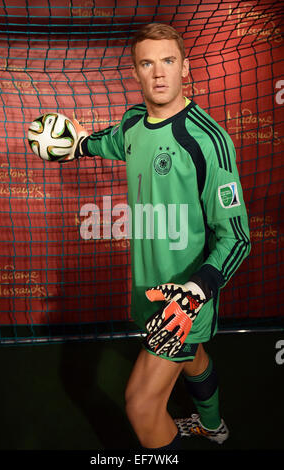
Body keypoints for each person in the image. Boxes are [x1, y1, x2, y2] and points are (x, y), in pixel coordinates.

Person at [61, 23, 251, 450]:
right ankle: (214, 427)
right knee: (194, 359)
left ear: (185, 67)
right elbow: (109, 142)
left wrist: (195, 293)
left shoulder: (208, 140)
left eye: (168, 61)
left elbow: (237, 238)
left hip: (183, 302)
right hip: (146, 287)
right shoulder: (132, 124)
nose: (159, 73)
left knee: (141, 405)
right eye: (148, 63)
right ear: (135, 72)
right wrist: (77, 145)